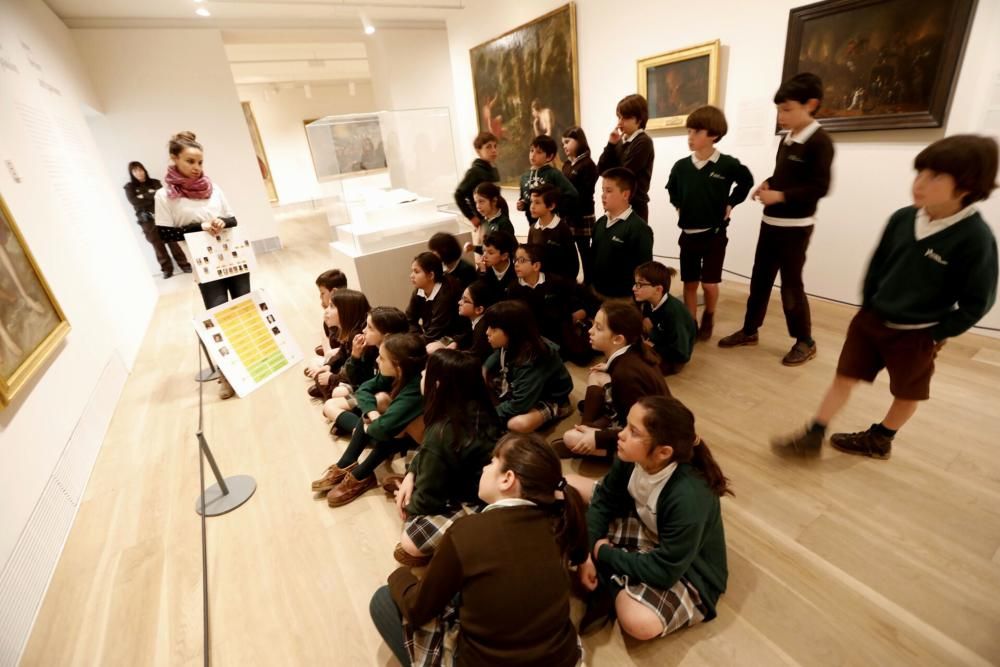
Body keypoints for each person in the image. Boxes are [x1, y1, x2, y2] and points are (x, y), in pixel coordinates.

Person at [772, 134, 998, 459]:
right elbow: (877, 267)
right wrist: (867, 307)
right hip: (871, 321)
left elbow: (979, 302)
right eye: (919, 172)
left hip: (916, 334)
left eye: (934, 176)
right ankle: (815, 431)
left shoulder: (976, 239)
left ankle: (881, 437)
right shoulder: (902, 218)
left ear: (966, 187)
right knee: (845, 376)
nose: (919, 183)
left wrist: (935, 333)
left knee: (908, 391)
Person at [370, 433, 588, 667]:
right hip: (564, 658)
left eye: (492, 462)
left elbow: (416, 609)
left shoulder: (466, 532)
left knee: (382, 600)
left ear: (507, 479)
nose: (485, 467)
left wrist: (399, 576)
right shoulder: (560, 524)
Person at [574, 396, 730, 640]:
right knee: (570, 495)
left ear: (663, 452)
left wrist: (602, 553)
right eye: (626, 425)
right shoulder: (630, 457)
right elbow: (604, 499)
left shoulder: (689, 496)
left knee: (637, 622)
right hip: (649, 527)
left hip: (691, 569)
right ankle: (614, 575)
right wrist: (586, 552)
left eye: (633, 432)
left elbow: (665, 571)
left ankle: (609, 583)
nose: (621, 435)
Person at [718, 73, 835, 366]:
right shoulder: (788, 139)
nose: (781, 116)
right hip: (771, 224)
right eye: (779, 110)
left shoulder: (820, 142)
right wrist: (768, 184)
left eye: (787, 109)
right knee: (759, 280)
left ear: (811, 104)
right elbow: (785, 175)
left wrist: (781, 197)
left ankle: (805, 340)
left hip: (796, 228)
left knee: (791, 285)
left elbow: (819, 187)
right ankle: (749, 330)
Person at [154, 131, 247, 399]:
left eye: (200, 162)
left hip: (234, 258)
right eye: (190, 162)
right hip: (206, 266)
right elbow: (165, 234)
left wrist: (221, 222)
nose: (196, 168)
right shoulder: (165, 196)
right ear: (174, 159)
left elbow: (233, 219)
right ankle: (227, 376)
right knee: (219, 318)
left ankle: (250, 366)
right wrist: (199, 227)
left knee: (245, 311)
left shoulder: (213, 188)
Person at [392, 349, 503, 567]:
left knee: (410, 541)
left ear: (439, 385)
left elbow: (427, 501)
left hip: (474, 500)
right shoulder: (481, 406)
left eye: (426, 373)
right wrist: (411, 475)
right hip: (478, 482)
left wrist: (409, 504)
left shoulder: (443, 432)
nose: (422, 375)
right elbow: (426, 449)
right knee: (414, 459)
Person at [666, 106, 754, 341]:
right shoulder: (681, 167)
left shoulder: (727, 165)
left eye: (696, 132)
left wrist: (731, 203)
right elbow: (671, 188)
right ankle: (690, 322)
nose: (690, 137)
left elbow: (746, 182)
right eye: (689, 131)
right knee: (690, 283)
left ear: (713, 135)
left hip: (714, 235)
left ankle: (710, 316)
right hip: (688, 235)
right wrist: (678, 205)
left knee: (709, 283)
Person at [313, 333, 427, 507]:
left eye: (382, 358)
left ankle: (362, 474)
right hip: (395, 429)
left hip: (421, 442)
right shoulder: (395, 373)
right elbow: (364, 389)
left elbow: (382, 429)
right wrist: (372, 414)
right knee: (378, 401)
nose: (378, 361)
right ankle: (347, 463)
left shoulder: (413, 389)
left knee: (391, 424)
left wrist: (371, 424)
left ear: (398, 367)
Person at [557, 300, 669, 461]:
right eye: (593, 324)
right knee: (597, 374)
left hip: (649, 435)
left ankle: (613, 456)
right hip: (638, 418)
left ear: (618, 339)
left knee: (571, 438)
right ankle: (587, 427)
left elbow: (634, 428)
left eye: (598, 328)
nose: (590, 331)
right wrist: (609, 367)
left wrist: (597, 438)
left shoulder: (625, 374)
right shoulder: (632, 352)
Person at [483, 300, 574, 433]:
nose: (487, 332)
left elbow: (519, 405)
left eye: (494, 329)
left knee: (517, 424)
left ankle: (558, 410)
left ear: (512, 331)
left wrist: (486, 416)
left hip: (551, 398)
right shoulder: (514, 341)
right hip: (522, 386)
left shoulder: (532, 358)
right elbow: (498, 355)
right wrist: (485, 368)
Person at [322, 306, 409, 427]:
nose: (363, 330)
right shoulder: (370, 349)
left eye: (370, 328)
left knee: (333, 404)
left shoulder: (395, 359)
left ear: (387, 336)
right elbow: (357, 381)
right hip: (368, 396)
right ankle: (359, 426)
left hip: (385, 403)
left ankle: (360, 429)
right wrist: (355, 356)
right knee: (331, 404)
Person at [506, 243, 588, 358]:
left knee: (581, 356)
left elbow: (574, 299)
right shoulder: (513, 289)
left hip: (558, 331)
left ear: (536, 266)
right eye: (515, 260)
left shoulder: (555, 282)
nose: (516, 265)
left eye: (522, 260)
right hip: (532, 336)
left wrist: (579, 312)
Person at [591, 168, 654, 299]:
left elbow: (644, 273)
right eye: (602, 190)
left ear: (625, 195)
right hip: (596, 294)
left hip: (622, 301)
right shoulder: (600, 223)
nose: (603, 195)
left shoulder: (639, 229)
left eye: (608, 191)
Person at [124, 161, 190, 278]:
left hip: (163, 216)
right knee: (157, 245)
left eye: (140, 169)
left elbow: (161, 197)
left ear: (144, 170)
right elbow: (134, 201)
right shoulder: (130, 187)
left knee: (173, 241)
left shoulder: (155, 182)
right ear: (132, 173)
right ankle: (167, 270)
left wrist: (143, 196)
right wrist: (151, 195)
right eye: (135, 171)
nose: (139, 173)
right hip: (147, 220)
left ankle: (184, 265)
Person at [598, 94, 655, 222]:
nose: (619, 123)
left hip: (634, 207)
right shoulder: (620, 142)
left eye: (625, 118)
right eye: (619, 117)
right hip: (615, 205)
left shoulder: (643, 141)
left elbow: (624, 174)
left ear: (639, 119)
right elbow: (601, 169)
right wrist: (611, 144)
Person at [633, 261, 696, 375]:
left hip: (673, 359)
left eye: (640, 284)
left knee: (636, 369)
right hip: (657, 341)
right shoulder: (648, 301)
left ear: (658, 289)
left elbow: (681, 353)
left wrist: (654, 346)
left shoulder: (673, 313)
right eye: (635, 283)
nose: (634, 288)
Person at [308, 289, 370, 401]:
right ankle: (326, 389)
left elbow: (357, 373)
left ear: (345, 311)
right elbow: (342, 352)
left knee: (334, 389)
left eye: (331, 306)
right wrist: (329, 365)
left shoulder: (357, 336)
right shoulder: (348, 330)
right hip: (347, 371)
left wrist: (332, 378)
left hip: (357, 380)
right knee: (318, 368)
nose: (326, 311)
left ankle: (329, 396)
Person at [405, 252, 466, 350]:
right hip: (434, 334)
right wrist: (416, 336)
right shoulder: (419, 290)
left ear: (431, 275)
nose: (411, 276)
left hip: (453, 336)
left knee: (428, 349)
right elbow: (409, 319)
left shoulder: (446, 293)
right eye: (412, 271)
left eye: (416, 272)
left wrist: (415, 344)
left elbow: (437, 331)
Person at [562, 126, 599, 284]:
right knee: (568, 251)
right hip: (567, 215)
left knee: (585, 251)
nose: (564, 146)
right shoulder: (567, 165)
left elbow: (584, 193)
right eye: (563, 143)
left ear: (579, 141)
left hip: (582, 214)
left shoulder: (588, 164)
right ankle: (572, 280)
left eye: (568, 142)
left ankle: (590, 283)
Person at [517, 135, 579, 226]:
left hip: (552, 225)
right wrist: (522, 204)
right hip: (533, 225)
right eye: (531, 150)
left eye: (539, 152)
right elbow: (525, 198)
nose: (533, 155)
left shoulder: (554, 174)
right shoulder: (524, 177)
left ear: (549, 156)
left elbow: (572, 194)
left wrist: (554, 208)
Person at [526, 184, 579, 281]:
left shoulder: (563, 229)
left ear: (551, 206)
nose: (532, 207)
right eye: (531, 202)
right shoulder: (533, 228)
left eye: (537, 203)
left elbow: (573, 265)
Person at [454, 132, 504, 229]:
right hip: (484, 221)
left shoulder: (494, 170)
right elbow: (458, 194)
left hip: (497, 218)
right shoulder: (474, 172)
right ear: (478, 151)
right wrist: (472, 217)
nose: (493, 150)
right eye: (488, 147)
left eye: (495, 146)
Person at [305, 269, 349, 377]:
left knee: (321, 361)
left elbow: (345, 348)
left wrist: (328, 356)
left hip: (346, 359)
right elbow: (327, 342)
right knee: (313, 362)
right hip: (337, 355)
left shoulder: (348, 313)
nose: (320, 297)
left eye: (322, 293)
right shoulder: (329, 315)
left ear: (333, 292)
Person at [464, 181, 515, 256]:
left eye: (481, 201)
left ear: (494, 201)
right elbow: (487, 250)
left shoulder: (504, 223)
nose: (478, 206)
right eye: (476, 202)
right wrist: (473, 248)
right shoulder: (485, 222)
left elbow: (508, 252)